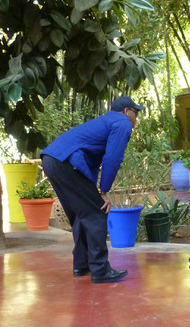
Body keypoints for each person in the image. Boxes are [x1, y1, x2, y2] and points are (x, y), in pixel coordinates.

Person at [41, 96, 144, 284]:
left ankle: (82, 264)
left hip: (51, 159)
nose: (136, 119)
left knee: (82, 214)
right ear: (126, 111)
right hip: (66, 161)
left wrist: (96, 189)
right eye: (135, 113)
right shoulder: (121, 123)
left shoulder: (104, 121)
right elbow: (112, 158)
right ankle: (100, 270)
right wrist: (104, 191)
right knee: (98, 212)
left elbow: (93, 163)